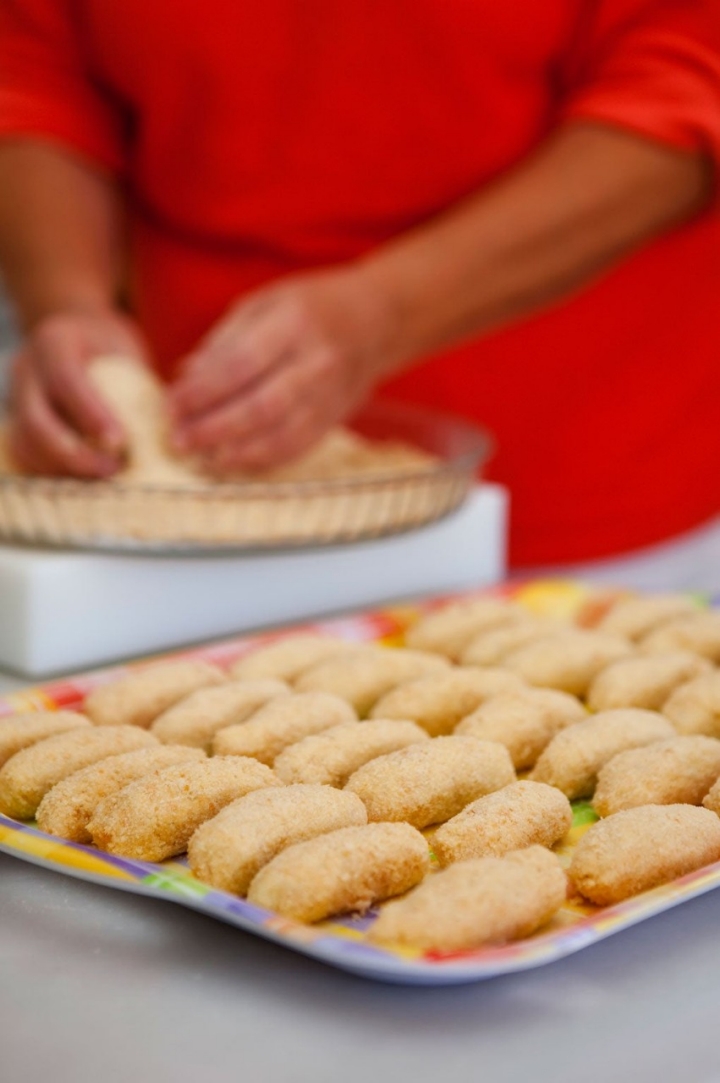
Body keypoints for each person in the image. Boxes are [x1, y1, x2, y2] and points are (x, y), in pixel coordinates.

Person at [0, 0, 718, 578]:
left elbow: (685, 78)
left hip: (588, 483)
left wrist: (390, 307)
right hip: (174, 518)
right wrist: (69, 299)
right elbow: (38, 65)